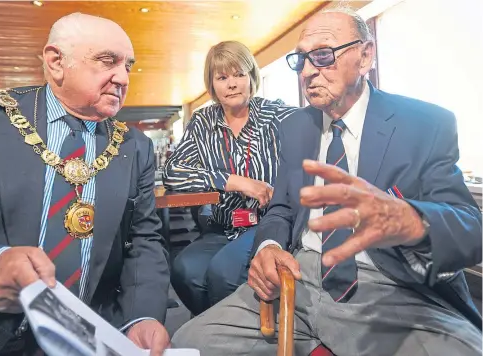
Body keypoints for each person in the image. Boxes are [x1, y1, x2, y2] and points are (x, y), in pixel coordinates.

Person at [172, 8, 482, 355]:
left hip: (387, 287)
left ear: (365, 56)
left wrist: (411, 220)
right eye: (301, 59)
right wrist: (269, 246)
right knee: (187, 343)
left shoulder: (423, 123)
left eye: (322, 55)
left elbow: (471, 231)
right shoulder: (295, 127)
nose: (307, 71)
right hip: (298, 277)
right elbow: (282, 209)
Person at [0, 12, 171, 356]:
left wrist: (140, 316)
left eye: (128, 65)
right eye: (107, 61)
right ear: (56, 62)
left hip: (91, 340)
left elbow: (144, 241)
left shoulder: (135, 147)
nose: (122, 77)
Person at [163, 41, 300, 316]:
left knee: (222, 272)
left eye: (239, 74)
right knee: (183, 269)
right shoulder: (202, 122)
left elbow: (315, 134)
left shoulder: (277, 114)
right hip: (222, 227)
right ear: (212, 85)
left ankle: (232, 335)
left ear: (252, 77)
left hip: (267, 225)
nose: (232, 84)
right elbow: (172, 172)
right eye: (222, 78)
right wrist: (234, 181)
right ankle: (215, 329)